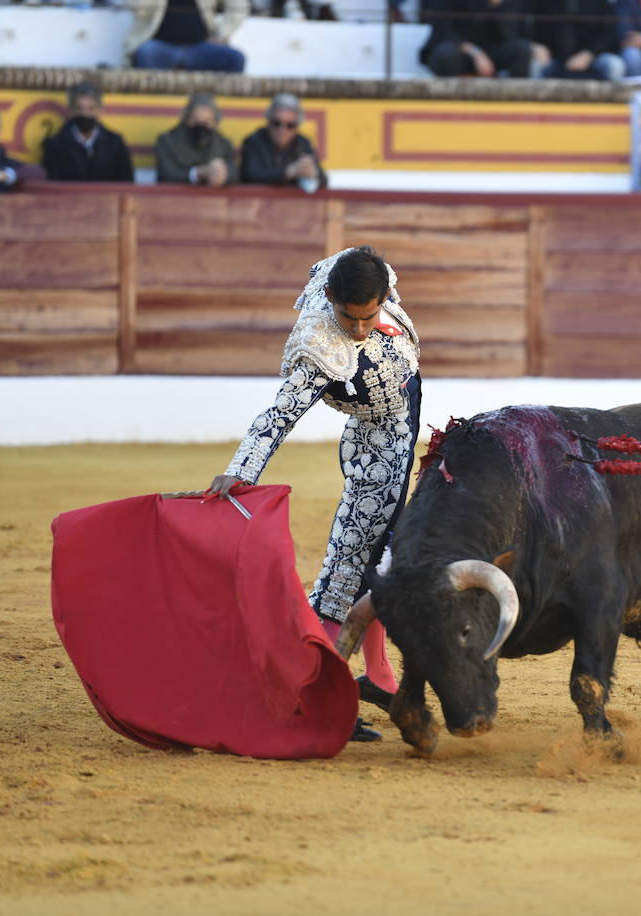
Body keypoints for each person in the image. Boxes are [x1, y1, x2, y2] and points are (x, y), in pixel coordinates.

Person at [205, 247, 420, 742]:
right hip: (380, 450)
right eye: (350, 318)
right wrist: (240, 470)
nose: (361, 329)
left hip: (398, 431)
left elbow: (355, 262)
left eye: (370, 316)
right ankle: (307, 695)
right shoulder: (319, 350)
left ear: (384, 295)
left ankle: (380, 677)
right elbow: (279, 416)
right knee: (346, 575)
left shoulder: (364, 273)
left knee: (380, 562)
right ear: (330, 300)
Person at [41, 83, 136, 184]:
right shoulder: (55, 145)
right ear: (70, 111)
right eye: (79, 108)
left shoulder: (115, 144)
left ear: (100, 111)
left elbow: (126, 183)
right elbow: (53, 186)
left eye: (91, 108)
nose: (85, 114)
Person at [419, 0, 538, 77]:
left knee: (522, 49)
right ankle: (453, 103)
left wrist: (497, 6)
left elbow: (514, 33)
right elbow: (442, 30)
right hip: (456, 50)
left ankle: (515, 102)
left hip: (490, 55)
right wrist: (475, 52)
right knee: (448, 54)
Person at [127, 0, 247, 73]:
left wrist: (222, 33)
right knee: (146, 53)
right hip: (160, 46)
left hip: (200, 48)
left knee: (235, 58)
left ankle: (220, 110)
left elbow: (238, 4)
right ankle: (150, 109)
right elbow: (137, 7)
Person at [240, 93, 326, 190]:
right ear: (268, 120)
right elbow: (250, 176)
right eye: (277, 123)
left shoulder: (303, 143)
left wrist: (314, 174)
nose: (282, 130)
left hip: (293, 204)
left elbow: (324, 180)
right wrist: (288, 172)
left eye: (290, 125)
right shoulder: (253, 141)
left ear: (297, 126)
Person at [155, 93, 236, 188]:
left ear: (215, 123)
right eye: (195, 120)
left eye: (207, 121)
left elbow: (235, 173)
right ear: (186, 119)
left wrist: (222, 174)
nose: (201, 126)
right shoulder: (167, 141)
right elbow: (166, 175)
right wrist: (198, 173)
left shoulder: (223, 144)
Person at [532, 0, 626, 81]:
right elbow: (533, 28)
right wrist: (537, 46)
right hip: (553, 57)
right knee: (536, 65)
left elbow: (608, 34)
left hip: (592, 57)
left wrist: (588, 54)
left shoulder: (599, 2)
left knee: (614, 65)